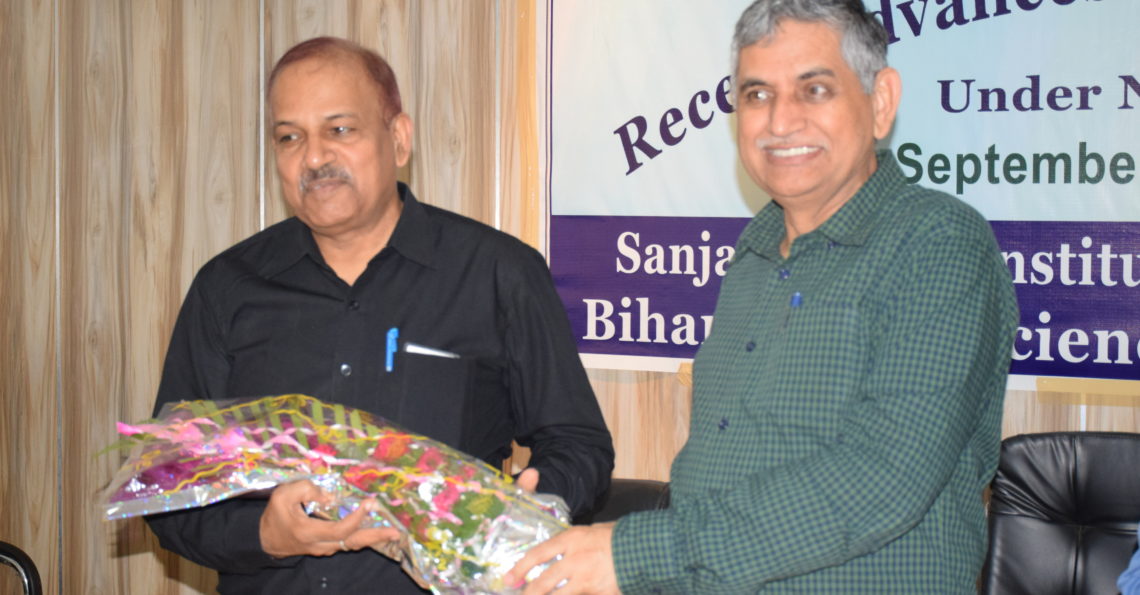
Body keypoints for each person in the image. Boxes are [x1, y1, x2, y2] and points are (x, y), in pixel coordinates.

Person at [508, 0, 1019, 592]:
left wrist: (631, 555)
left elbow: (883, 476)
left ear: (880, 102)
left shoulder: (937, 244)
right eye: (757, 95)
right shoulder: (754, 255)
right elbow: (719, 478)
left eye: (815, 90)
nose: (779, 121)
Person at [145, 36, 614, 594]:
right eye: (290, 137)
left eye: (340, 130)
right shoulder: (226, 288)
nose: (314, 158)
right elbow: (166, 488)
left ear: (399, 138)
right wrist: (265, 533)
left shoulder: (497, 273)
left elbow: (578, 443)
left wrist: (517, 509)